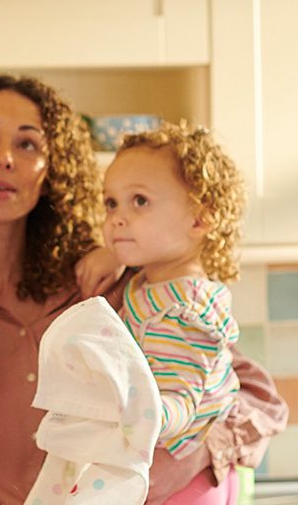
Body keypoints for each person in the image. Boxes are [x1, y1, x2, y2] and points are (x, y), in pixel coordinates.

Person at [0, 77, 284, 505]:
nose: (5, 157)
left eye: (28, 144)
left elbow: (254, 396)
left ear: (53, 168)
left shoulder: (102, 286)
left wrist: (188, 456)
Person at [99, 122, 248, 504]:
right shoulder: (155, 284)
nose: (117, 217)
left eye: (140, 201)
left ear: (200, 219)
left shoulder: (183, 310)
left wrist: (143, 419)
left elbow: (180, 396)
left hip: (183, 486)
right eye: (111, 203)